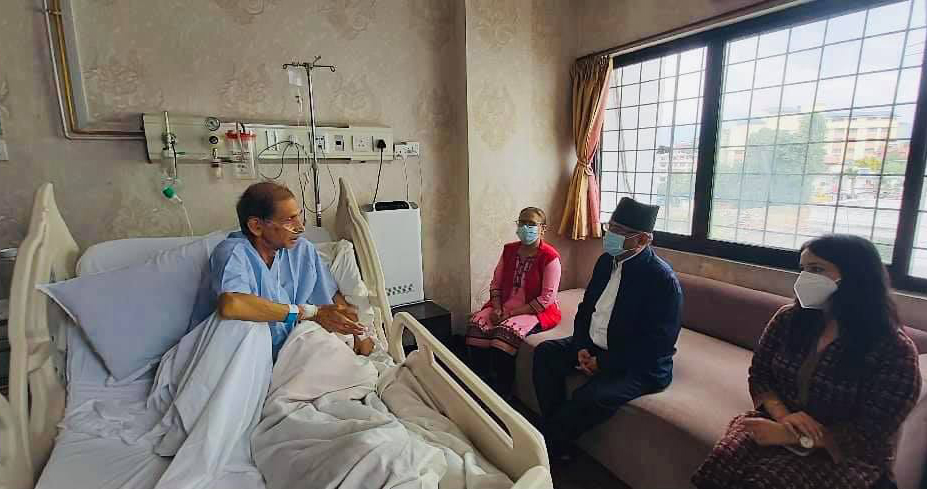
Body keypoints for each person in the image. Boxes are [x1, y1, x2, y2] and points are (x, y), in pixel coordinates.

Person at [144, 182, 370, 488]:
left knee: (326, 355)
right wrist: (306, 312)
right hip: (227, 351)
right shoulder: (232, 253)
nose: (300, 226)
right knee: (249, 327)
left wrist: (359, 332)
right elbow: (232, 305)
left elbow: (328, 302)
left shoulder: (302, 251)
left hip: (283, 354)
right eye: (289, 219)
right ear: (256, 226)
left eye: (299, 216)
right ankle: (218, 432)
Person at [692, 235, 922, 489]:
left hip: (844, 454)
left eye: (817, 270)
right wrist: (782, 415)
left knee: (766, 480)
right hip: (778, 420)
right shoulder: (789, 319)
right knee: (720, 464)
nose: (805, 278)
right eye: (803, 269)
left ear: (855, 276)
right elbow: (760, 374)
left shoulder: (894, 350)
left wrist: (792, 436)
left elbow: (872, 432)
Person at [532, 197, 682, 459]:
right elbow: (586, 309)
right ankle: (557, 437)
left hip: (639, 364)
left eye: (619, 231)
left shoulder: (662, 280)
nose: (610, 235)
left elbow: (657, 345)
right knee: (545, 354)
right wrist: (581, 346)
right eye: (610, 226)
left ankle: (546, 444)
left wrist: (604, 363)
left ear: (643, 240)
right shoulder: (605, 262)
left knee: (590, 397)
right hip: (594, 345)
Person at [466, 207, 562, 397]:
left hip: (534, 310)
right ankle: (479, 385)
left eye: (531, 224)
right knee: (476, 326)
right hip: (503, 305)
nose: (525, 227)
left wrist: (509, 314)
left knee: (503, 336)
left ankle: (502, 395)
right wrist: (497, 308)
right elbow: (496, 283)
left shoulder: (550, 257)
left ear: (543, 229)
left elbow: (546, 298)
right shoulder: (509, 250)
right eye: (522, 222)